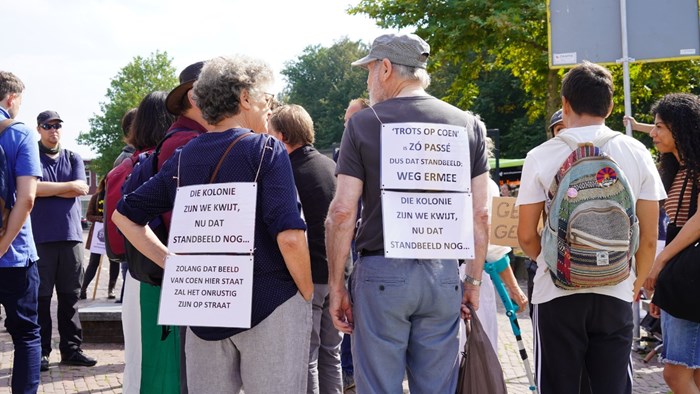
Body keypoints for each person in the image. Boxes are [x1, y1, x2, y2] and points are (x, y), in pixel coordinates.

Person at [113, 55, 313, 393]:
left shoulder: (184, 155)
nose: (271, 106)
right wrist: (307, 293)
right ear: (245, 97)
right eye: (269, 97)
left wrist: (172, 266)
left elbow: (124, 215)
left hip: (205, 305)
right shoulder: (265, 149)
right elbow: (290, 237)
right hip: (270, 303)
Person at [325, 33, 490, 393]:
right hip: (442, 273)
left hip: (382, 274)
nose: (368, 81)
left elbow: (341, 212)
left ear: (385, 69)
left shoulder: (363, 123)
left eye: (369, 70)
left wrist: (337, 286)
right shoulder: (468, 125)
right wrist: (473, 282)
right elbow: (481, 214)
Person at [516, 61, 665, 393]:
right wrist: (631, 285)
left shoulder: (541, 155)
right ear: (610, 106)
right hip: (616, 290)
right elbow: (649, 240)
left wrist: (558, 261)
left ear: (565, 105)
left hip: (556, 292)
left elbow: (526, 235)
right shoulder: (636, 151)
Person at [268, 104, 342, 394]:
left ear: (282, 136)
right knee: (330, 354)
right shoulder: (331, 166)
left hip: (306, 277)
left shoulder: (287, 172)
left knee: (305, 356)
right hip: (337, 274)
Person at [111, 91, 180, 393]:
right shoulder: (165, 162)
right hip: (162, 277)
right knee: (163, 366)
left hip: (136, 275)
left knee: (138, 362)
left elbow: (114, 240)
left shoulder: (124, 166)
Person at [643, 93, 700, 393]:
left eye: (660, 126)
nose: (653, 132)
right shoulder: (678, 169)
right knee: (695, 373)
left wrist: (660, 262)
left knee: (675, 375)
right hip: (682, 281)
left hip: (690, 281)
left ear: (680, 128)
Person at [32, 110, 96, 371]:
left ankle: (71, 350)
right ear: (39, 129)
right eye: (48, 126)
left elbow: (82, 187)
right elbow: (31, 189)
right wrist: (64, 188)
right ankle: (42, 352)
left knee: (70, 298)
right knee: (41, 299)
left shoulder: (73, 157)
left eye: (57, 125)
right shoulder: (32, 157)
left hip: (71, 239)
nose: (53, 130)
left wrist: (48, 188)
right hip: (41, 240)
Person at [0, 71, 42, 393]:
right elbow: (26, 198)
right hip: (14, 255)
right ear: (11, 98)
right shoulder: (19, 133)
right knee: (26, 333)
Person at [336, 97, 369, 392]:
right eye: (345, 119)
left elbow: (343, 212)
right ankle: (350, 375)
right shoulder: (344, 156)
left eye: (351, 119)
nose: (346, 124)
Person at [80, 177, 117, 299]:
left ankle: (111, 290)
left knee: (114, 262)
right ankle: (83, 288)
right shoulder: (96, 197)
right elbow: (89, 215)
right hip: (98, 235)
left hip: (112, 234)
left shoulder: (116, 196)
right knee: (93, 263)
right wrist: (102, 219)